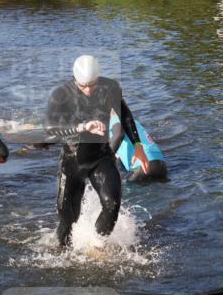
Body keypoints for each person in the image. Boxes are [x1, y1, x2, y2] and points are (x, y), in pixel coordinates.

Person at [46, 55, 149, 248]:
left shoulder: (110, 88)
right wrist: (83, 127)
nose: (88, 89)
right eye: (83, 85)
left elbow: (125, 115)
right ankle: (60, 252)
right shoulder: (61, 94)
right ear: (75, 80)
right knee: (68, 219)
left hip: (101, 155)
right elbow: (50, 129)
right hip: (72, 160)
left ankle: (96, 247)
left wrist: (138, 146)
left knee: (112, 205)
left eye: (92, 84)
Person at [109, 111, 167, 182]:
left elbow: (118, 135)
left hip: (141, 168)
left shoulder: (114, 121)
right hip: (160, 164)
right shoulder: (132, 121)